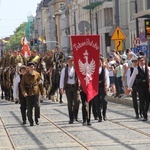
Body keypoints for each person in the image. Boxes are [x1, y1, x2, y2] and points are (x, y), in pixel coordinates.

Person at [20, 62, 45, 126]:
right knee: (29, 108)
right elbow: (22, 85)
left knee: (37, 106)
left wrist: (43, 93)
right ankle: (31, 121)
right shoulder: (25, 76)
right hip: (29, 93)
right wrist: (24, 92)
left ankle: (37, 119)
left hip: (36, 92)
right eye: (30, 67)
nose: (31, 68)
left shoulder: (37, 74)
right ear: (27, 67)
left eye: (32, 66)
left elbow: (40, 84)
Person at [128, 55, 150, 121]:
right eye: (140, 60)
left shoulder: (148, 68)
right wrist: (129, 86)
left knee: (148, 101)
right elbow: (132, 78)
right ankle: (144, 115)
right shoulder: (136, 69)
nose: (141, 62)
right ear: (138, 61)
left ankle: (145, 111)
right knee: (142, 100)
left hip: (146, 86)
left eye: (142, 60)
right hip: (140, 86)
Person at [59, 56, 79, 124]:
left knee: (76, 102)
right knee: (70, 103)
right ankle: (71, 118)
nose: (71, 62)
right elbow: (62, 79)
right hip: (68, 88)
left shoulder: (76, 69)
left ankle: (75, 116)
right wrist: (61, 88)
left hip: (75, 87)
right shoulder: (64, 70)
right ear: (67, 61)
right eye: (70, 61)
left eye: (72, 60)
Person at [93, 57, 110, 122]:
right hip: (96, 88)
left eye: (100, 61)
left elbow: (107, 77)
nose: (99, 62)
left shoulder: (104, 69)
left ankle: (104, 114)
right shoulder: (94, 69)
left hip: (103, 87)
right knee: (97, 102)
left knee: (104, 101)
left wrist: (107, 86)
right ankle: (99, 116)